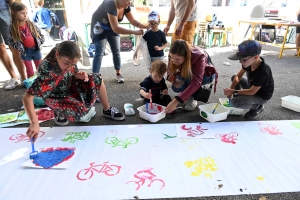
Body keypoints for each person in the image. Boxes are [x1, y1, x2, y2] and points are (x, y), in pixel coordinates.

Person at [23, 41, 125, 142]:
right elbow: (27, 98)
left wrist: (78, 75)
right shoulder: (47, 70)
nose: (69, 67)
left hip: (69, 88)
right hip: (56, 97)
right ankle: (58, 112)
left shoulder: (68, 61)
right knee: (80, 110)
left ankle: (107, 109)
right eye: (66, 63)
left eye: (74, 64)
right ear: (57, 54)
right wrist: (34, 122)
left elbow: (72, 72)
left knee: (97, 79)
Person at [90, 0, 149, 83]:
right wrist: (134, 32)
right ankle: (94, 77)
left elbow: (133, 21)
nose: (129, 3)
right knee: (99, 52)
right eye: (128, 0)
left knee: (116, 51)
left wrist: (146, 26)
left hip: (112, 27)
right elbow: (116, 28)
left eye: (131, 1)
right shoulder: (109, 4)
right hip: (99, 27)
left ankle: (118, 73)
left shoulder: (125, 6)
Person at [223, 40, 274, 119]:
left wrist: (235, 92)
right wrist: (231, 89)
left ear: (256, 57)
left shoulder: (264, 72)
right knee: (234, 77)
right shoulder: (248, 63)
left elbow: (252, 91)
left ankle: (257, 107)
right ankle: (242, 96)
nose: (240, 62)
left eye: (243, 60)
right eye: (240, 59)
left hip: (261, 96)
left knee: (235, 102)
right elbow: (238, 76)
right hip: (253, 87)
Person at [164, 39, 217, 114]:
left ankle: (193, 96)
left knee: (192, 78)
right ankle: (187, 93)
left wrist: (176, 101)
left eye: (177, 60)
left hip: (206, 74)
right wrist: (169, 75)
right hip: (187, 72)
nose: (173, 61)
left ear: (185, 56)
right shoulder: (173, 53)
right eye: (171, 58)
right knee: (176, 86)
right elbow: (169, 67)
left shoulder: (199, 55)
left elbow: (197, 81)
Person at [8, 2, 44, 78]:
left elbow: (40, 34)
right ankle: (31, 85)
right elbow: (10, 40)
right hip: (25, 52)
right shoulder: (13, 27)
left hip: (36, 49)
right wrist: (18, 47)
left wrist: (41, 41)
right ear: (14, 13)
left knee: (40, 68)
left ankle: (42, 82)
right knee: (29, 70)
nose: (25, 15)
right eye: (22, 13)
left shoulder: (31, 24)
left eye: (26, 13)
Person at [0, 0, 26, 90]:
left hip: (3, 10)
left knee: (14, 46)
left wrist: (16, 11)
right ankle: (14, 78)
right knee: (0, 47)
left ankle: (24, 78)